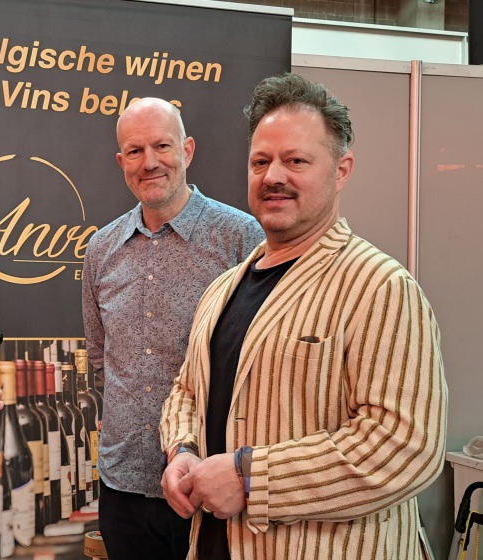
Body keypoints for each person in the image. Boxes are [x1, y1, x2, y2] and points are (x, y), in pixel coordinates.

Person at [159, 73, 448, 560]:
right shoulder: (222, 290)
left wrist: (252, 478)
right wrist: (182, 450)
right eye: (261, 161)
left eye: (296, 161)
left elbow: (404, 446)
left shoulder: (381, 286)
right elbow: (186, 391)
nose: (273, 176)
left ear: (341, 170)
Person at [81, 97, 264, 560]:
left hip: (208, 484)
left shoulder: (242, 238)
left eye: (162, 146)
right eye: (135, 151)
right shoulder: (101, 249)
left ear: (187, 149)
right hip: (122, 485)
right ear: (121, 162)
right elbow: (102, 358)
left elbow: (262, 362)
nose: (150, 162)